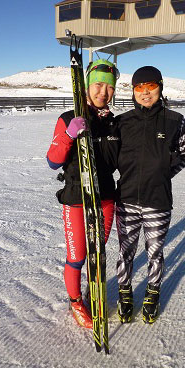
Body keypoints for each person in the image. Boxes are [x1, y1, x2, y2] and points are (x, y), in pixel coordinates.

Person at [46, 59, 120, 328]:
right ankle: (76, 301)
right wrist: (69, 135)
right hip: (76, 198)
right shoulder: (67, 118)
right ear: (87, 86)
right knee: (77, 256)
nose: (103, 92)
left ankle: (95, 293)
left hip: (106, 199)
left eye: (109, 87)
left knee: (97, 253)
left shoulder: (114, 123)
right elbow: (53, 160)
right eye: (98, 85)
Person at [115, 66, 185, 324]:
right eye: (139, 87)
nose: (145, 93)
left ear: (160, 86)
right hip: (125, 200)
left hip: (158, 201)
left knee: (154, 252)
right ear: (133, 90)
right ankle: (124, 293)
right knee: (125, 251)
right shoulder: (122, 122)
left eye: (151, 87)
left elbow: (184, 155)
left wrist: (161, 174)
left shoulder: (175, 120)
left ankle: (152, 293)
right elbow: (110, 156)